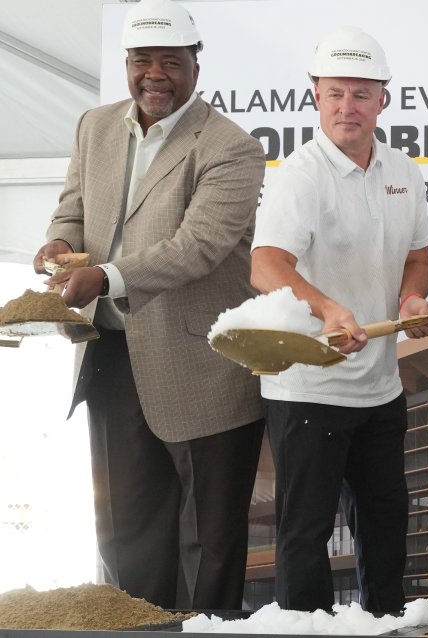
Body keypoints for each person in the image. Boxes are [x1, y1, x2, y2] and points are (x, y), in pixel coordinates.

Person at [34, 0, 265, 610]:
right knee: (125, 531)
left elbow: (199, 247)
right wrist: (58, 242)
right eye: (142, 61)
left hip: (204, 368)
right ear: (126, 64)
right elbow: (73, 208)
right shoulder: (95, 126)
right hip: (110, 354)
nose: (154, 75)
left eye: (170, 61)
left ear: (196, 67)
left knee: (209, 542)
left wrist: (104, 276)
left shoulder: (231, 147)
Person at [249, 26, 428, 613]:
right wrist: (329, 308)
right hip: (307, 389)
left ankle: (386, 623)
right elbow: (266, 265)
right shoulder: (300, 175)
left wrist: (411, 301)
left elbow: (418, 259)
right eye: (335, 93)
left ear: (383, 99)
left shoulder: (404, 171)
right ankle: (304, 628)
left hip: (380, 388)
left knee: (385, 525)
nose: (347, 107)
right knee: (305, 533)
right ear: (315, 95)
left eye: (361, 94)